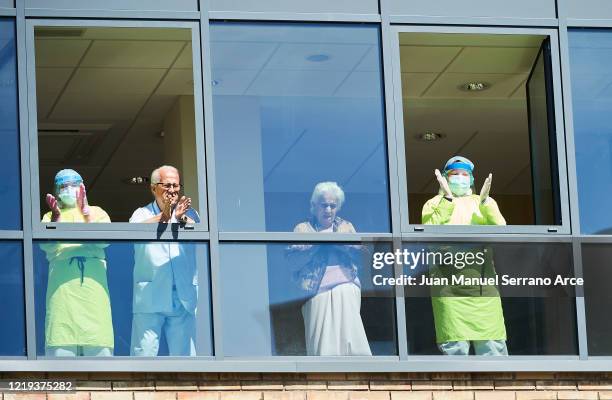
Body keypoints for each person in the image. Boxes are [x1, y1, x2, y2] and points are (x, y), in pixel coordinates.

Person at [422, 156, 508, 356]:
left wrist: (486, 202)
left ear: (471, 179)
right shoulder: (433, 204)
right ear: (445, 177)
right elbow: (428, 232)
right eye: (454, 174)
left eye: (464, 175)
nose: (460, 178)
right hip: (448, 287)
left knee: (492, 345)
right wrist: (447, 200)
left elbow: (501, 230)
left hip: (483, 287)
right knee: (455, 347)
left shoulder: (482, 201)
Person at [286, 182, 371, 356]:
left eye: (333, 206)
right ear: (314, 206)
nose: (329, 210)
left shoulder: (347, 227)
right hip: (315, 291)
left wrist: (342, 245)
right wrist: (318, 245)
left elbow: (363, 257)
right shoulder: (303, 229)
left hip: (346, 286)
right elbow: (292, 261)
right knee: (322, 345)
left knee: (352, 341)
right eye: (324, 205)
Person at [41, 169, 113, 356]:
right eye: (64, 186)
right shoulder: (49, 217)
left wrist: (86, 214)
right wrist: (56, 218)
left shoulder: (97, 213)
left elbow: (104, 240)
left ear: (82, 187)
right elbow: (46, 246)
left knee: (99, 350)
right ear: (57, 191)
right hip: (62, 293)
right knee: (61, 348)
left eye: (73, 185)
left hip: (93, 291)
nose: (69, 189)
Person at [129, 165, 200, 356]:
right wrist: (165, 216)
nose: (172, 190)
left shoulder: (189, 214)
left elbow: (198, 233)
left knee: (185, 359)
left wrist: (180, 217)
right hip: (151, 295)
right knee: (145, 353)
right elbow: (135, 232)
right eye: (167, 185)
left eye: (176, 186)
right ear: (153, 188)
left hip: (183, 295)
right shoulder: (141, 214)